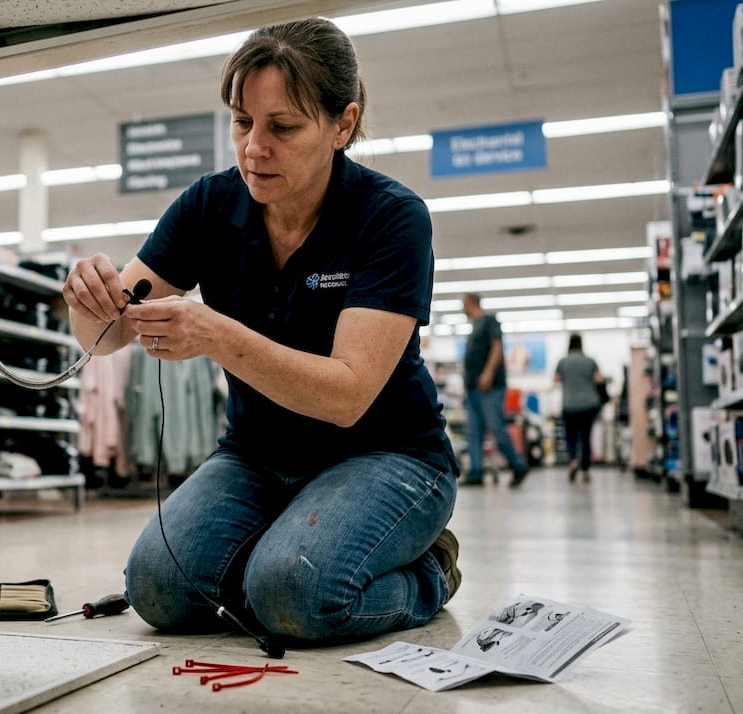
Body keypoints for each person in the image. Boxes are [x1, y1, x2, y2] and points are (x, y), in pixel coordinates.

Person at [63, 17, 460, 647]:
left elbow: (347, 395)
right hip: (255, 455)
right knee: (157, 590)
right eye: (242, 122)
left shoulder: (391, 217)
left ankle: (430, 572)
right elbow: (107, 336)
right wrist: (88, 299)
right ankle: (282, 549)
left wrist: (216, 335)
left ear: (343, 125)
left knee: (293, 595)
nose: (254, 148)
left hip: (388, 455)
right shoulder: (209, 206)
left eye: (283, 127)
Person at [460, 293, 529, 486]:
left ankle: (518, 466)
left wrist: (488, 373)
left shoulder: (489, 321)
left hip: (489, 387)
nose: (462, 308)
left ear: (471, 303)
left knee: (496, 427)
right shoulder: (474, 326)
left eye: (463, 304)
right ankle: (476, 472)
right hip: (473, 388)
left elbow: (497, 347)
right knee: (473, 431)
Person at [554, 333, 604, 482]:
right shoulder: (590, 361)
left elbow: (556, 379)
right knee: (586, 437)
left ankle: (573, 461)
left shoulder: (562, 362)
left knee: (571, 436)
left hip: (569, 405)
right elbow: (599, 379)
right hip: (589, 405)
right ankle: (586, 471)